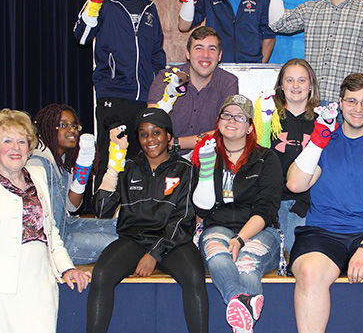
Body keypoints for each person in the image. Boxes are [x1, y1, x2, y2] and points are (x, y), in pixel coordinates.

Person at [287, 73, 363, 333]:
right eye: (352, 101)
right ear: (341, 103)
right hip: (323, 232)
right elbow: (295, 185)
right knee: (309, 272)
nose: (358, 108)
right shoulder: (324, 142)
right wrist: (318, 141)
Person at [0, 109, 90, 333]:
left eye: (21, 141)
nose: (15, 147)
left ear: (29, 148)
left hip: (40, 288)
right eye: (7, 141)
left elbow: (50, 232)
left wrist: (67, 268)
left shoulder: (38, 176)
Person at [87, 107, 208, 333]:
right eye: (143, 134)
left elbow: (183, 220)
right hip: (133, 239)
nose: (150, 139)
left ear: (169, 136)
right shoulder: (128, 167)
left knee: (194, 276)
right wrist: (114, 165)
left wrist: (154, 254)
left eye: (156, 132)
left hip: (172, 242)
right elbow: (102, 210)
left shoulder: (186, 170)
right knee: (101, 275)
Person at [74, 0, 166, 189]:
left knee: (141, 164)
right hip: (113, 97)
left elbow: (158, 54)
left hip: (144, 100)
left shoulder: (149, 8)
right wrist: (94, 2)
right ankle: (104, 220)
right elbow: (81, 37)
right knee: (111, 164)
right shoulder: (102, 0)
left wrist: (157, 92)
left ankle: (136, 219)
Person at [192, 94, 282, 333]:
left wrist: (240, 239)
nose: (232, 121)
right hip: (217, 226)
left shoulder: (266, 158)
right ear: (219, 120)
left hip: (260, 229)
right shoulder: (207, 156)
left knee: (246, 261)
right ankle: (241, 301)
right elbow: (201, 209)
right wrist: (206, 168)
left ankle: (238, 304)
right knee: (215, 250)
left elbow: (266, 208)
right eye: (227, 115)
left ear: (250, 125)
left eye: (240, 117)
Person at [28, 104, 118, 264]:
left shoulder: (61, 160)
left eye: (75, 126)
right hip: (52, 243)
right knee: (120, 244)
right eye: (63, 125)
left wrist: (84, 165)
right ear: (46, 128)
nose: (72, 130)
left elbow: (72, 207)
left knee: (120, 226)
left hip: (65, 225)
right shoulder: (37, 164)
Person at [147, 26, 238, 152]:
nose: (205, 55)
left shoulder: (228, 82)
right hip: (166, 157)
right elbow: (151, 125)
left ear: (219, 55)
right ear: (188, 54)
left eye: (212, 49)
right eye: (199, 48)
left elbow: (226, 131)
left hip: (207, 157)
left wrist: (176, 143)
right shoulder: (166, 77)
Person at [270, 58, 320, 253]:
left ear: (311, 85)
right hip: (276, 201)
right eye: (289, 80)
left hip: (310, 202)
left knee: (302, 253)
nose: (296, 85)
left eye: (302, 80)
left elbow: (326, 169)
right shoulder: (268, 119)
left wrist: (305, 203)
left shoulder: (323, 123)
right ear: (281, 86)